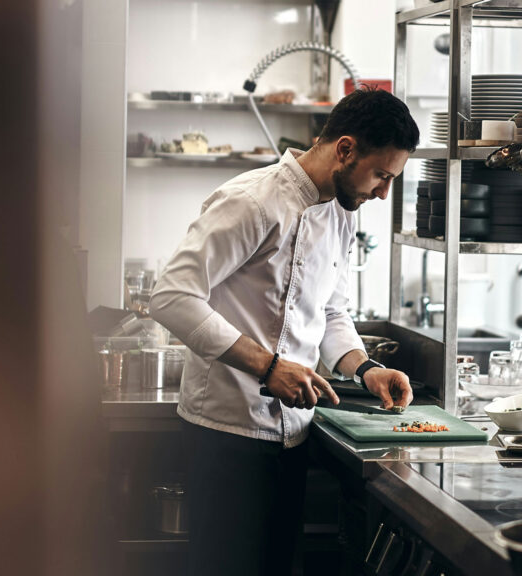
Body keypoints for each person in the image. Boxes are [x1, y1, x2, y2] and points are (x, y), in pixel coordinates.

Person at [148, 88, 420, 576]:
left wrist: (366, 368)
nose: (383, 193)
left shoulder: (339, 212)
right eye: (382, 175)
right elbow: (171, 297)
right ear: (345, 149)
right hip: (226, 435)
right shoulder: (251, 201)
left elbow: (332, 312)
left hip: (294, 436)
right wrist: (267, 367)